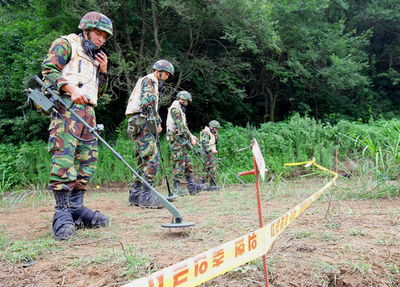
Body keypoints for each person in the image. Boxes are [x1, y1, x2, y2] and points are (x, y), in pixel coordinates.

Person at [41, 11, 113, 240]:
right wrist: (70, 88)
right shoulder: (66, 44)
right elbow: (48, 71)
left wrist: (103, 72)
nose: (101, 39)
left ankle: (76, 209)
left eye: (104, 37)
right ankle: (61, 213)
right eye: (97, 34)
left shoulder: (94, 56)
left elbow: (99, 92)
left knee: (87, 159)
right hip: (67, 108)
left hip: (88, 111)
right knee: (64, 156)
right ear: (85, 30)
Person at [125, 59, 174, 208]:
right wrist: (157, 122)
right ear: (159, 72)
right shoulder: (150, 80)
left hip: (136, 122)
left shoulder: (146, 80)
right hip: (142, 121)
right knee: (152, 158)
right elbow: (148, 102)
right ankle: (146, 196)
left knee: (142, 159)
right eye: (166, 75)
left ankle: (135, 194)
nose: (166, 78)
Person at [166, 91, 206, 195]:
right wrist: (190, 138)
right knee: (179, 162)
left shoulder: (179, 110)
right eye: (187, 102)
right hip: (175, 139)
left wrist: (191, 136)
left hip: (180, 138)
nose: (187, 104)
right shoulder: (175, 109)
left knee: (188, 162)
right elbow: (181, 127)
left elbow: (184, 127)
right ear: (182, 100)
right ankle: (175, 187)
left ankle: (191, 185)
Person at [199, 120, 221, 190]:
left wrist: (216, 136)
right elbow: (204, 143)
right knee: (211, 167)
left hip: (210, 153)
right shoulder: (206, 132)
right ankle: (211, 183)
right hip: (207, 152)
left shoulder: (211, 133)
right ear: (211, 126)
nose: (216, 130)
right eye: (215, 128)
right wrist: (212, 150)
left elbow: (215, 142)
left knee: (207, 168)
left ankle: (202, 183)